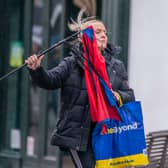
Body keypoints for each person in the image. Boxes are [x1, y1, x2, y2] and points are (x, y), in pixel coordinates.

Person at [25, 10, 135, 168]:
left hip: (106, 133)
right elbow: (50, 81)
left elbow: (129, 95)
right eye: (98, 32)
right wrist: (36, 70)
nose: (104, 35)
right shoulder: (71, 63)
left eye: (105, 32)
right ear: (85, 37)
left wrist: (116, 96)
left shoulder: (117, 66)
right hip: (78, 135)